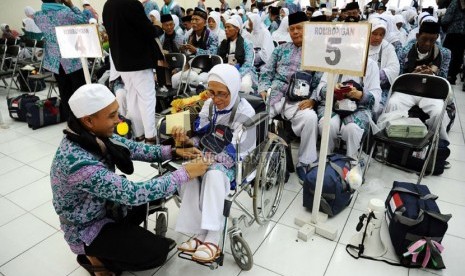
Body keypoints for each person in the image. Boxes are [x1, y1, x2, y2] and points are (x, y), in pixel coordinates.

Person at [51, 83, 209, 275]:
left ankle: (119, 239)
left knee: (161, 186)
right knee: (156, 253)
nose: (118, 121)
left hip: (107, 206)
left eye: (117, 113)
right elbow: (132, 194)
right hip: (88, 227)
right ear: (89, 120)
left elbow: (134, 148)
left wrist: (174, 151)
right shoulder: (78, 163)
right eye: (111, 116)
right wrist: (186, 173)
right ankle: (96, 259)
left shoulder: (93, 135)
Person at [173, 64, 256, 263]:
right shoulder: (209, 105)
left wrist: (208, 161)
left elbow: (241, 149)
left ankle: (213, 235)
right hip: (207, 153)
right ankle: (199, 232)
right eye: (211, 92)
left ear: (234, 89)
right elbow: (200, 136)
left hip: (233, 162)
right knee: (190, 174)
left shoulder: (246, 111)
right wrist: (187, 140)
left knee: (213, 174)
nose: (216, 98)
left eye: (222, 94)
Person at [259, 12, 319, 183]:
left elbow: (320, 80)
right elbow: (266, 71)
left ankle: (305, 163)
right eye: (292, 29)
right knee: (257, 117)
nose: (295, 32)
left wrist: (313, 100)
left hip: (299, 100)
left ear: (307, 29)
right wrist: (263, 89)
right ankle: (260, 160)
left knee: (310, 119)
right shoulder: (281, 49)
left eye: (299, 28)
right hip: (276, 94)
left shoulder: (316, 53)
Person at [103, 0, 164, 144]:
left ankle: (139, 134)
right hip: (138, 61)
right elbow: (147, 31)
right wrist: (157, 26)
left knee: (133, 98)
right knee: (147, 99)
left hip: (122, 62)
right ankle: (150, 137)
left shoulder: (108, 5)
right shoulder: (131, 3)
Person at [386, 21, 451, 141]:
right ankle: (391, 141)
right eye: (424, 39)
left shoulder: (444, 53)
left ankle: (437, 144)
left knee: (438, 112)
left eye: (432, 40)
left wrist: (431, 74)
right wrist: (413, 75)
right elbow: (398, 75)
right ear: (417, 36)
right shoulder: (405, 51)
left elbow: (443, 77)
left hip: (431, 92)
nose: (427, 43)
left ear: (437, 38)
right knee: (393, 104)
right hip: (407, 90)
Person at [316, 58, 381, 159]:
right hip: (332, 104)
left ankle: (351, 162)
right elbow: (321, 87)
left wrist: (359, 94)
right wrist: (332, 89)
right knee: (328, 124)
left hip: (360, 108)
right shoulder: (335, 60)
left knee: (352, 129)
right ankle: (326, 158)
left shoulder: (371, 64)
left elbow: (376, 96)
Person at [34, 0, 87, 121]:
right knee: (80, 90)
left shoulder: (38, 16)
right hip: (72, 59)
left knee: (64, 91)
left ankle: (70, 119)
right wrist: (71, 5)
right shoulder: (65, 13)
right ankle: (83, 119)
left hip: (54, 61)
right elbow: (85, 21)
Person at [171, 8, 219, 89]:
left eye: (197, 20)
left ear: (204, 23)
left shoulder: (212, 36)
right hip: (191, 67)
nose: (193, 22)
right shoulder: (188, 35)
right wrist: (183, 50)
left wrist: (196, 50)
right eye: (192, 19)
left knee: (193, 78)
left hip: (206, 68)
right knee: (174, 78)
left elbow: (213, 54)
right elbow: (186, 56)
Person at [367, 16, 400, 117]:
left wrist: (377, 75)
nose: (378, 38)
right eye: (375, 33)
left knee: (377, 109)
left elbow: (395, 68)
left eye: (381, 34)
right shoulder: (360, 45)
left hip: (380, 87)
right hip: (359, 87)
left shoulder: (387, 47)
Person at [217, 17, 257, 93]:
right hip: (227, 70)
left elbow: (248, 64)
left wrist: (236, 74)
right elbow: (219, 59)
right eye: (225, 27)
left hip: (243, 71)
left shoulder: (247, 43)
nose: (226, 29)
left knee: (244, 85)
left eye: (229, 27)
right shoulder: (224, 43)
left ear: (237, 29)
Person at [441, 0, 465, 85]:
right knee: (458, 56)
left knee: (447, 53)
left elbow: (447, 19)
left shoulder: (455, 3)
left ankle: (446, 75)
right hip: (463, 35)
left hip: (453, 33)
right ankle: (452, 76)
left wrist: (441, 21)